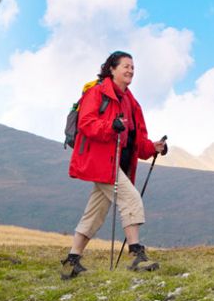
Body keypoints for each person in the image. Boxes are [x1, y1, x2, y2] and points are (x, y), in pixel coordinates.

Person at [60, 51, 166, 279]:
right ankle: (136, 256)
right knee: (131, 199)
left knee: (95, 211)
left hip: (116, 164)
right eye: (125, 66)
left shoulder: (131, 101)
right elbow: (87, 123)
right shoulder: (98, 93)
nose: (130, 71)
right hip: (100, 162)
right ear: (112, 69)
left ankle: (72, 260)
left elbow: (136, 139)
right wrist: (111, 126)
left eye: (132, 68)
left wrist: (153, 148)